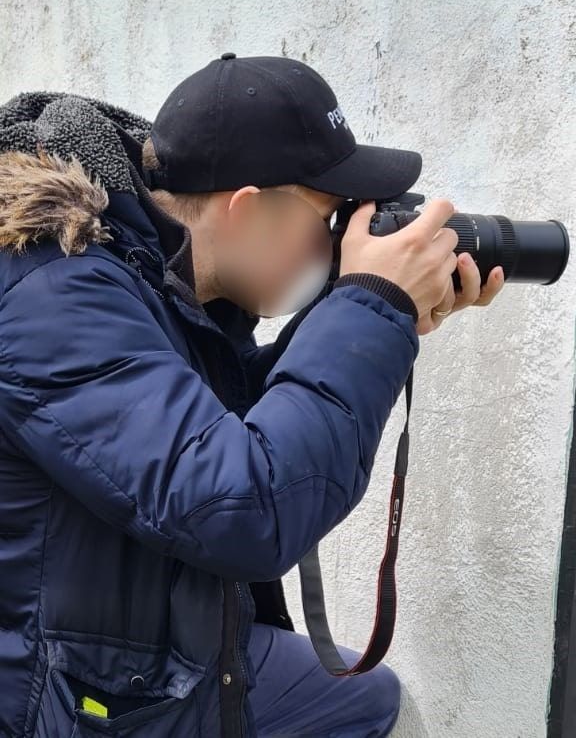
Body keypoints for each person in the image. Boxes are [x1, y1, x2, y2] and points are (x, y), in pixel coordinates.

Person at [0, 54, 504, 738]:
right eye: (327, 220)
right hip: (51, 691)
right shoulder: (55, 292)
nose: (334, 248)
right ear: (245, 208)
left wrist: (376, 315)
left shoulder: (156, 275)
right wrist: (369, 307)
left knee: (366, 700)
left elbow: (216, 431)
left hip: (130, 657)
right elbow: (240, 509)